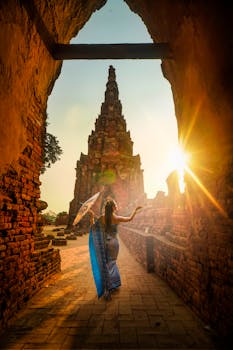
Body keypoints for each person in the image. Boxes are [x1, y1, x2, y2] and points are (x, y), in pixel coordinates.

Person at [88, 199, 142, 300]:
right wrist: (135, 210)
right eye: (115, 205)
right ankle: (111, 285)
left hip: (104, 242)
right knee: (112, 262)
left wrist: (91, 216)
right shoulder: (117, 218)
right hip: (114, 243)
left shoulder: (102, 218)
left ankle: (107, 286)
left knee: (105, 263)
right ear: (113, 207)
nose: (116, 206)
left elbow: (93, 227)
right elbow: (130, 219)